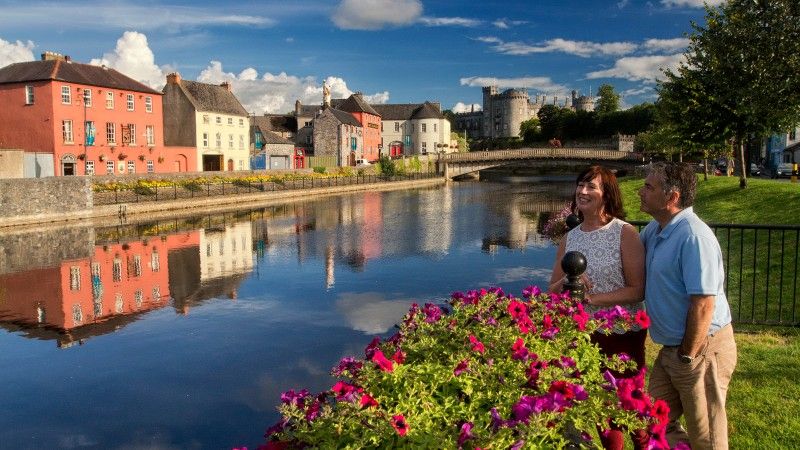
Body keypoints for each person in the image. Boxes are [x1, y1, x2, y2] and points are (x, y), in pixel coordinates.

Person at [638, 162, 737, 449]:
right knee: (652, 422)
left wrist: (687, 355)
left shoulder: (693, 236)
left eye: (648, 187)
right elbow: (628, 255)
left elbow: (704, 304)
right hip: (674, 350)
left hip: (700, 350)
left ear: (673, 197)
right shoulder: (657, 231)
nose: (641, 192)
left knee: (707, 436)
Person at [549, 165, 649, 450]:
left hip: (622, 334)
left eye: (591, 186)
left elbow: (637, 289)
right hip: (584, 336)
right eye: (580, 185)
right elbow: (552, 290)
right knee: (601, 409)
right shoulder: (571, 237)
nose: (582, 191)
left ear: (607, 194)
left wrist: (590, 299)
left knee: (629, 406)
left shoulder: (624, 233)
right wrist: (570, 281)